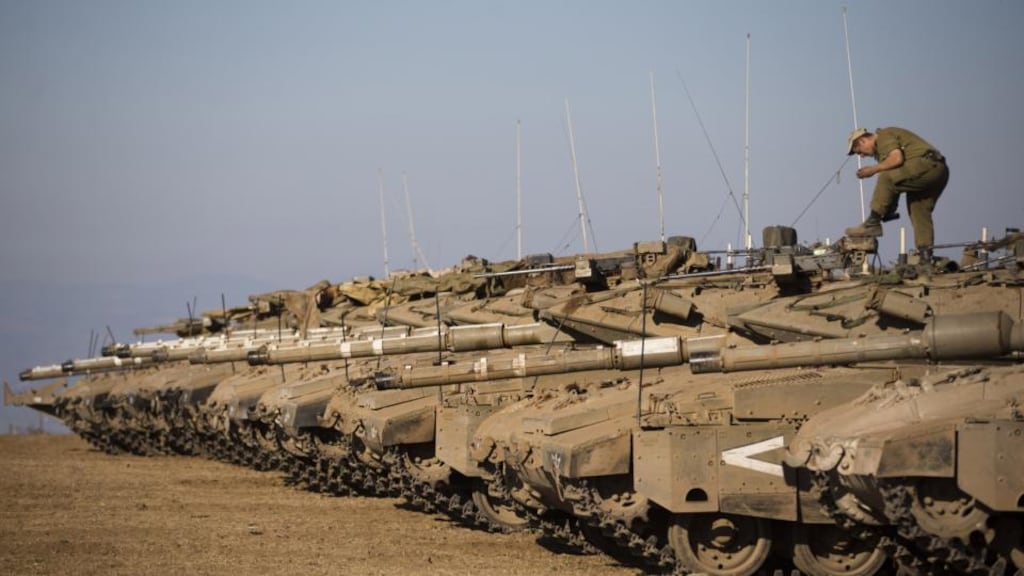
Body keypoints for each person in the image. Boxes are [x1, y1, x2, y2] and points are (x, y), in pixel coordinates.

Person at [844, 127, 949, 262]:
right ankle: (925, 256)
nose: (863, 156)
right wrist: (889, 208)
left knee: (886, 176)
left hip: (926, 166)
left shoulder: (883, 136)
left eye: (860, 152)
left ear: (863, 141)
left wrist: (873, 169)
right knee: (918, 210)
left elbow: (896, 159)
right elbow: (899, 179)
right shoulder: (883, 147)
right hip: (938, 171)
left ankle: (873, 222)